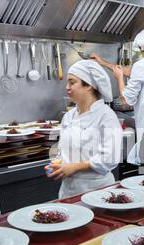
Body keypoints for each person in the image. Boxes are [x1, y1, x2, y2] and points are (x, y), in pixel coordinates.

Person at [91, 25, 144, 168]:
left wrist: (119, 78)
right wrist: (102, 63)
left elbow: (126, 101)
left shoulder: (142, 65)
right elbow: (130, 71)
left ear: (140, 49)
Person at [46, 60, 122, 199]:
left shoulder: (106, 115)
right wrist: (58, 164)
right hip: (68, 191)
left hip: (98, 192)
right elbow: (63, 149)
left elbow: (109, 158)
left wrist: (74, 167)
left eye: (72, 82)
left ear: (88, 86)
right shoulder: (69, 116)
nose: (67, 88)